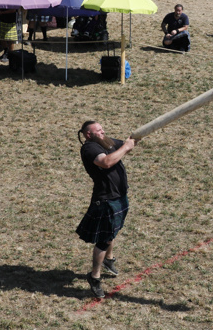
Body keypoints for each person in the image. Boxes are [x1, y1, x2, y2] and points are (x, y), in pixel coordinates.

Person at [75, 121, 137, 299]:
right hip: (106, 199)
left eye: (102, 129)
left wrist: (133, 140)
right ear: (88, 134)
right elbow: (106, 162)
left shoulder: (106, 142)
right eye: (99, 130)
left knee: (113, 230)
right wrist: (126, 147)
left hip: (119, 196)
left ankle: (108, 260)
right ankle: (94, 277)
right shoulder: (90, 148)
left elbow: (124, 146)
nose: (102, 132)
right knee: (104, 239)